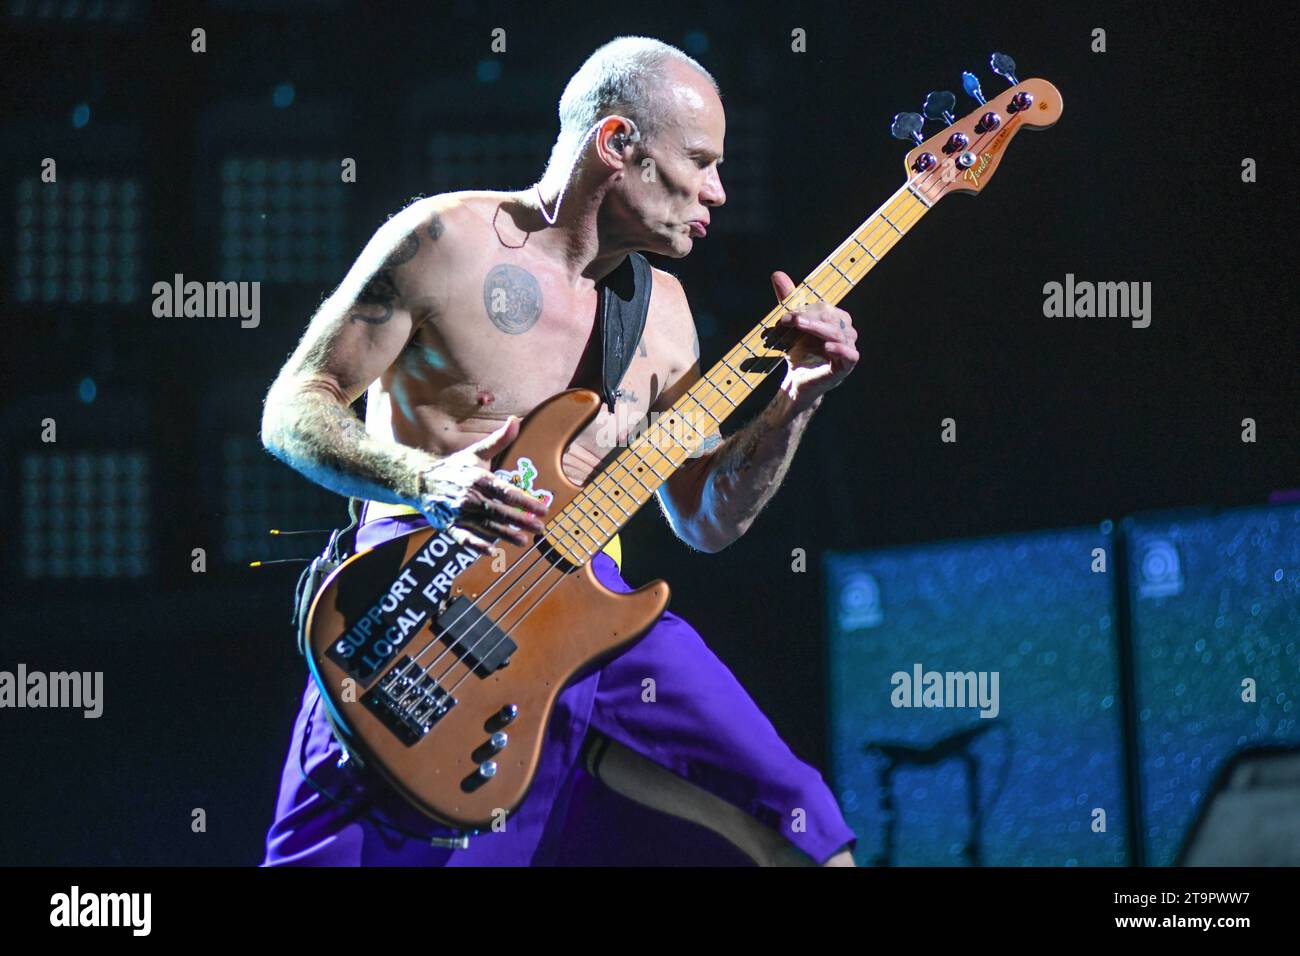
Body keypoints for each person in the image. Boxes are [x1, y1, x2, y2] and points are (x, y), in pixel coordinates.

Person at [260, 35, 860, 866]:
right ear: (617, 144)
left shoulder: (666, 320)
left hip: (590, 626)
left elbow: (705, 520)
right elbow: (293, 407)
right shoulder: (443, 242)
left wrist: (795, 399)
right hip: (419, 618)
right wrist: (428, 479)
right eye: (700, 161)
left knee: (801, 821)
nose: (719, 191)